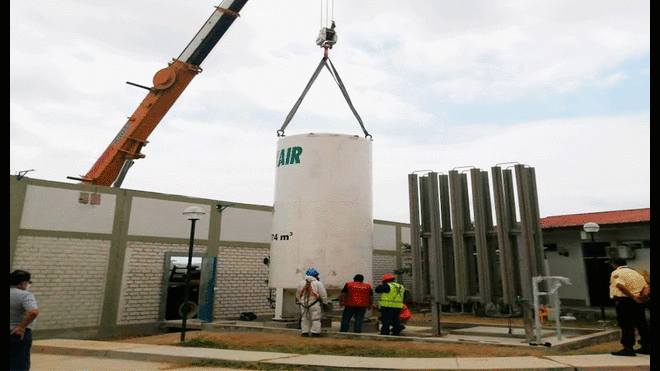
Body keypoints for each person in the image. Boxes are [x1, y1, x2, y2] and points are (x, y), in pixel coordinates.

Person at [608, 258, 650, 356]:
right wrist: (642, 297)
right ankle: (646, 346)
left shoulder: (616, 272)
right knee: (641, 324)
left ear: (615, 264)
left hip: (625, 301)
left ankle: (628, 348)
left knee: (626, 324)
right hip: (638, 302)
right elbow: (646, 287)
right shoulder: (635, 273)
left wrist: (633, 297)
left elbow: (619, 285)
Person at [10, 270, 40, 371]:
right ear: (23, 283)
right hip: (17, 334)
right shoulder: (25, 295)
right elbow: (33, 312)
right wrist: (21, 327)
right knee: (19, 363)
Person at [296, 267, 328, 337]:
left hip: (303, 304)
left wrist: (299, 301)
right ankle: (315, 333)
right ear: (315, 275)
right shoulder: (318, 283)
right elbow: (323, 294)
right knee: (315, 318)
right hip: (314, 303)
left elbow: (298, 294)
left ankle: (305, 332)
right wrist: (325, 303)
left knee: (304, 318)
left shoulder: (301, 283)